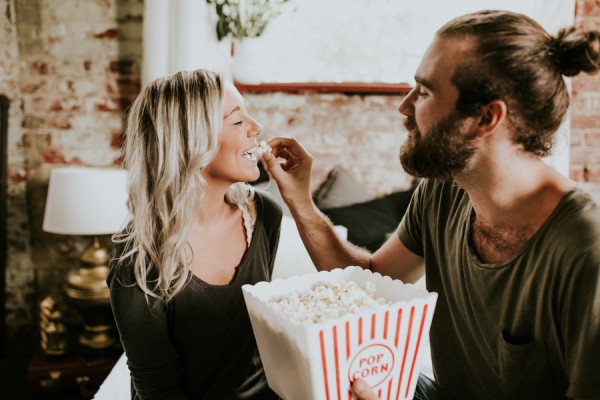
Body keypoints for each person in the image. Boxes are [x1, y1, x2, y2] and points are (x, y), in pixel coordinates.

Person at [261, 9, 600, 400]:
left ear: (486, 118)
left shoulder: (585, 251)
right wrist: (300, 199)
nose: (405, 107)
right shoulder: (443, 189)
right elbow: (366, 281)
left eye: (423, 92)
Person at [108, 69, 282, 399]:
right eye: (236, 120)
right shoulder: (138, 259)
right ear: (191, 142)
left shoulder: (266, 216)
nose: (256, 128)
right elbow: (159, 391)